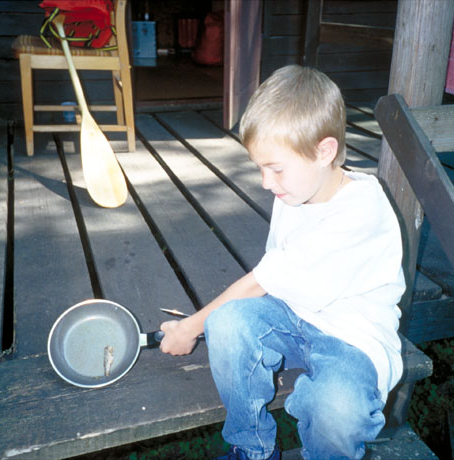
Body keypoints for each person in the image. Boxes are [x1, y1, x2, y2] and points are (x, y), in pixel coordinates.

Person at [158, 64, 406, 460]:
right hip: (293, 313)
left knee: (337, 409)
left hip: (352, 337)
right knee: (228, 322)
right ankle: (252, 448)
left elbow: (259, 281)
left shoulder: (360, 211)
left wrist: (188, 328)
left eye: (275, 168)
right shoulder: (298, 189)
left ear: (325, 152)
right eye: (260, 167)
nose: (265, 182)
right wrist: (208, 323)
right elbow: (275, 278)